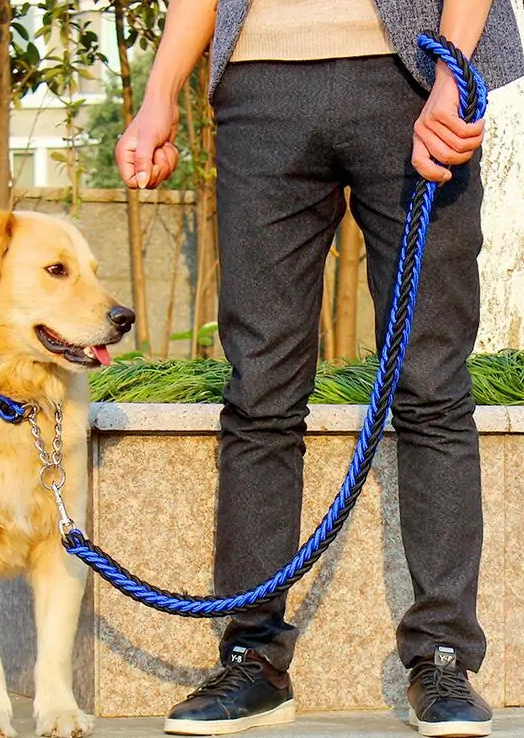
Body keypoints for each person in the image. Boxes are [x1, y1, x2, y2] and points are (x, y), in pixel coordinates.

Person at [115, 1, 524, 736]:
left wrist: (451, 68)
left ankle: (441, 656)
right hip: (258, 85)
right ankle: (253, 656)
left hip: (410, 77)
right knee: (260, 386)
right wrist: (158, 94)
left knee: (429, 382)